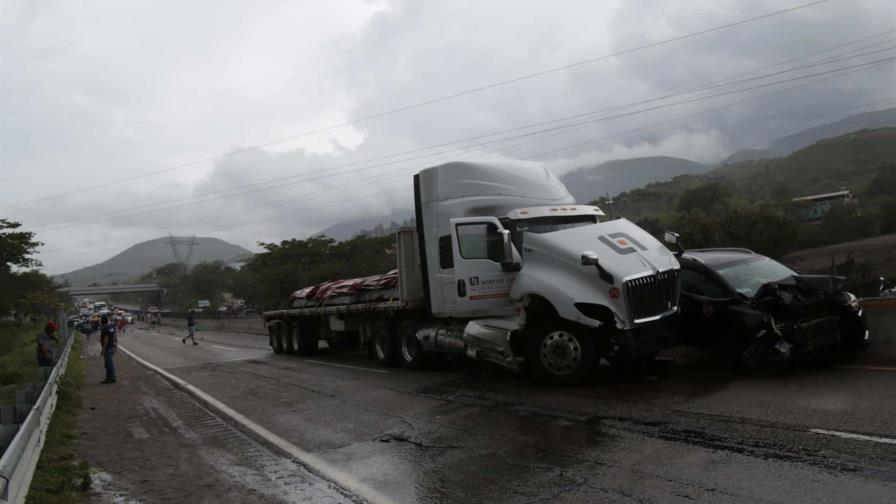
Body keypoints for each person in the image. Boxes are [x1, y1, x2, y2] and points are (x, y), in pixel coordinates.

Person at [99, 315, 117, 384]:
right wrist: (115, 344)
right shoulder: (111, 327)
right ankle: (109, 378)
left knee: (108, 364)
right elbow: (115, 336)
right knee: (109, 363)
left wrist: (103, 349)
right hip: (112, 347)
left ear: (102, 322)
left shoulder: (104, 328)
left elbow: (106, 339)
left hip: (108, 348)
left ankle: (111, 378)